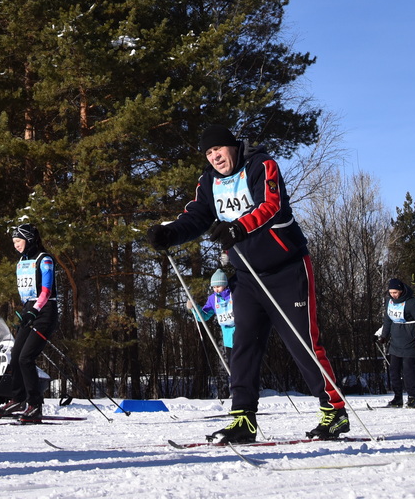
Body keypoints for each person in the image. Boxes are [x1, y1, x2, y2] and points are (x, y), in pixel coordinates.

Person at [146, 124, 348, 445]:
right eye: (209, 153)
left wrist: (238, 228)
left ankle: (334, 411)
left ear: (232, 146)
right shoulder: (208, 182)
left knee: (302, 342)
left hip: (286, 269)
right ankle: (243, 418)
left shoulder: (260, 165)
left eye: (218, 149)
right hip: (247, 276)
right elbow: (196, 217)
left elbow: (271, 205)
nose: (215, 157)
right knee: (244, 345)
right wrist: (169, 233)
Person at [0, 223, 57, 423]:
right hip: (29, 310)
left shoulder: (44, 259)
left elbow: (46, 292)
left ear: (29, 240)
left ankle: (35, 405)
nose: (16, 245)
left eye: (18, 241)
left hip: (44, 312)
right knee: (15, 358)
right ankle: (18, 399)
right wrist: (26, 312)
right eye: (14, 242)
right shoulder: (22, 262)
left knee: (26, 358)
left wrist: (34, 311)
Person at [377, 278, 415, 408]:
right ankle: (398, 398)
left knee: (408, 371)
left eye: (395, 292)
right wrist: (384, 335)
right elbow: (387, 320)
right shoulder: (389, 301)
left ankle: (412, 397)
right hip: (396, 342)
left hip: (409, 341)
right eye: (391, 292)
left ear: (401, 291)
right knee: (394, 371)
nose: (393, 295)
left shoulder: (411, 302)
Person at [196, 269, 236, 350]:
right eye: (214, 287)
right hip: (228, 338)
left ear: (225, 285)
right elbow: (204, 316)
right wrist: (195, 308)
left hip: (240, 333)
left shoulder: (233, 294)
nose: (216, 289)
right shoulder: (213, 299)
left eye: (218, 286)